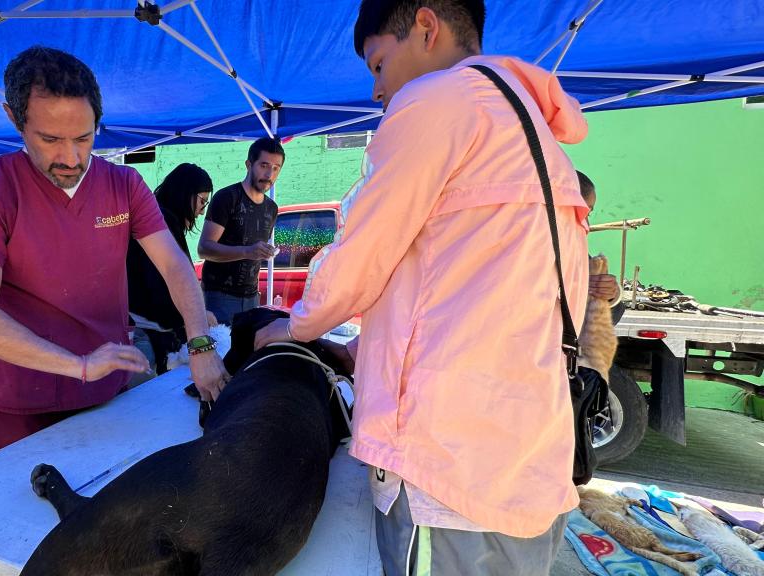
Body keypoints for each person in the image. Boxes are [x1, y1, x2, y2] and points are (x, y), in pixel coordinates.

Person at [255, 1, 591, 574]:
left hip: (448, 471)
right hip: (527, 460)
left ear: (426, 28)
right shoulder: (528, 128)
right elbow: (483, 290)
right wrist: (365, 349)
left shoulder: (438, 100)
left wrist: (293, 326)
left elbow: (362, 253)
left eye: (379, 65)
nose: (377, 92)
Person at [0, 46, 227, 454]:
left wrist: (200, 342)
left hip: (110, 396)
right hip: (25, 404)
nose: (71, 157)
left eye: (84, 137)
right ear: (14, 118)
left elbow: (174, 264)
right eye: (50, 139)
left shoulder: (125, 185)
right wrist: (79, 366)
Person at [127, 163, 217, 375]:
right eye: (202, 201)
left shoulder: (159, 218)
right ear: (185, 195)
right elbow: (162, 283)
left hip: (146, 327)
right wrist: (195, 316)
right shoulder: (164, 222)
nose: (202, 211)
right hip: (146, 331)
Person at [197, 137, 284, 325]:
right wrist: (247, 251)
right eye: (264, 165)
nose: (269, 174)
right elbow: (204, 248)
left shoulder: (272, 208)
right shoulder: (227, 198)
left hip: (252, 296)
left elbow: (254, 252)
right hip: (219, 297)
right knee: (220, 351)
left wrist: (264, 251)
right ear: (248, 164)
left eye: (276, 168)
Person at [577, 170, 622, 304]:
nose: (587, 226)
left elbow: (613, 312)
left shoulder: (577, 253)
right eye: (580, 213)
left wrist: (610, 293)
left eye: (588, 215)